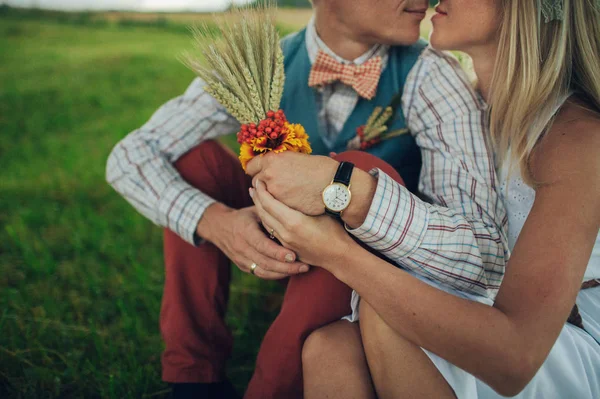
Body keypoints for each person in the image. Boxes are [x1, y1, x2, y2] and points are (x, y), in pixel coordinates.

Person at [106, 0, 510, 397]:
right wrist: (217, 223)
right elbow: (129, 157)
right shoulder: (262, 64)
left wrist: (359, 194)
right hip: (269, 221)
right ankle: (194, 377)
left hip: (363, 259)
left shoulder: (431, 74)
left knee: (358, 168)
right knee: (193, 160)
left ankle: (271, 384)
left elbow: (485, 255)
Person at [249, 0, 600, 398]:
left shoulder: (576, 138)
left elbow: (515, 358)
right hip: (481, 303)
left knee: (384, 316)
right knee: (327, 348)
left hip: (560, 342)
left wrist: (336, 251)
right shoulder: (466, 115)